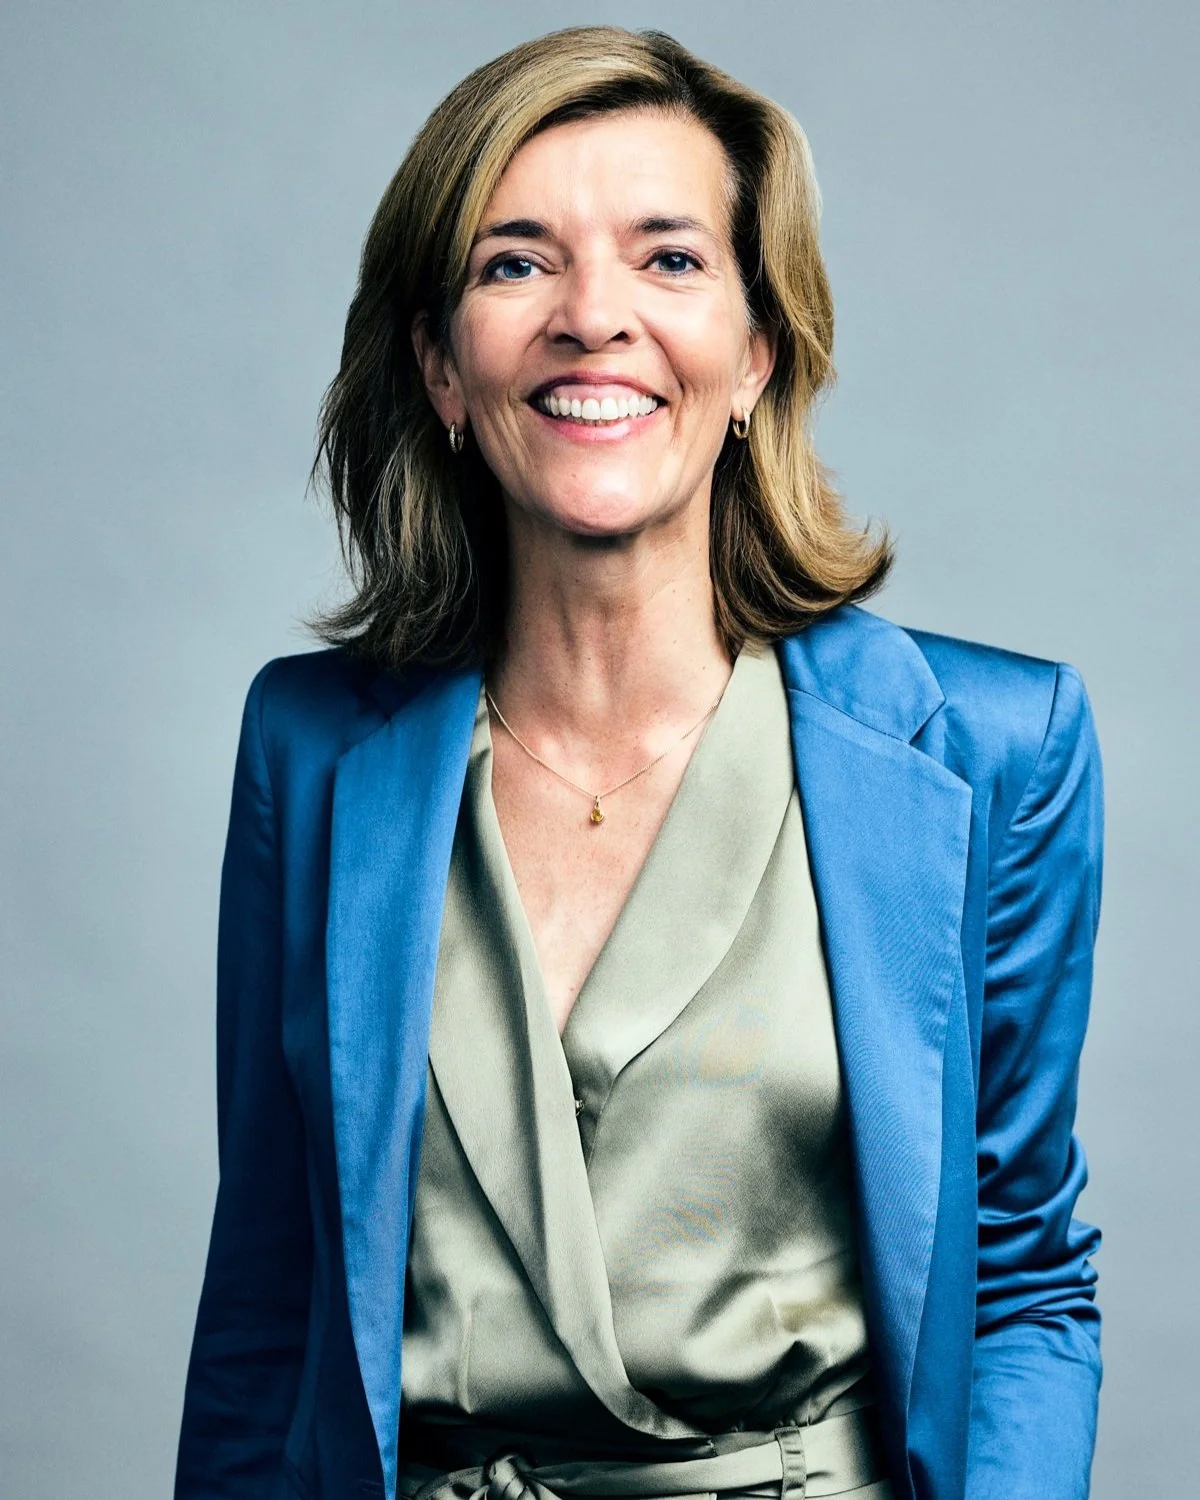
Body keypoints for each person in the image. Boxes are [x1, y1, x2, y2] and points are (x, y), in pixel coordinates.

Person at [174, 26, 1103, 1500]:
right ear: (440, 370)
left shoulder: (994, 752)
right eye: (514, 262)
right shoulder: (309, 753)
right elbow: (267, 1313)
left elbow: (1022, 1286)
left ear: (756, 356)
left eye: (668, 260)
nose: (591, 315)